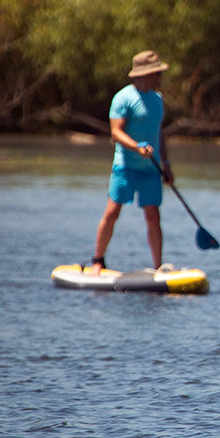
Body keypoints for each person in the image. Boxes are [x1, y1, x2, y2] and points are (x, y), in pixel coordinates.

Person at [87, 51, 174, 275]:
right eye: (157, 72)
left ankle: (157, 267)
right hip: (125, 166)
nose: (159, 77)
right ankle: (97, 260)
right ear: (145, 74)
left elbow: (159, 133)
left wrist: (166, 164)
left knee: (153, 216)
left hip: (151, 169)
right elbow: (115, 133)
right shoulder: (123, 98)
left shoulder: (157, 100)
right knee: (112, 212)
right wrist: (137, 147)